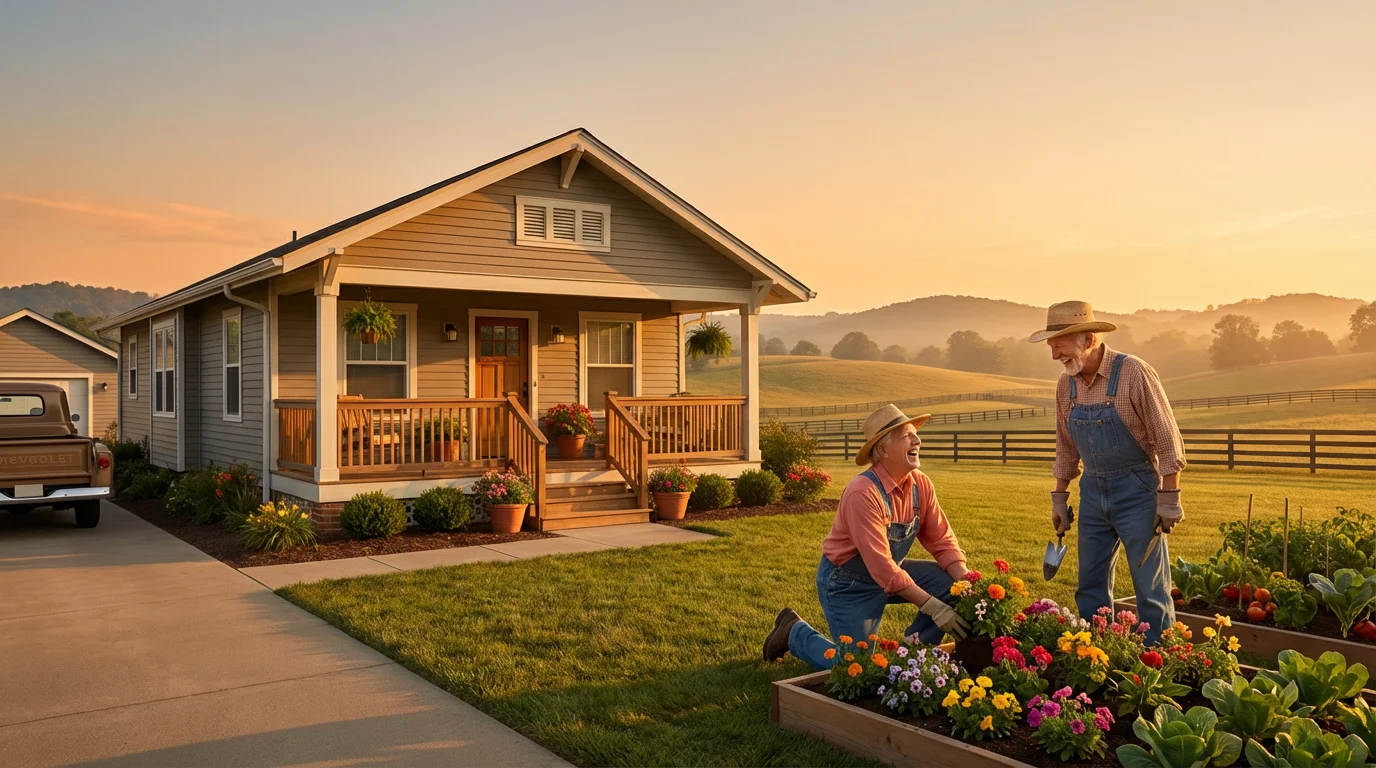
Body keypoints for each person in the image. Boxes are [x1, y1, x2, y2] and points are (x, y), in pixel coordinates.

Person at [763, 405, 971, 668]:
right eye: (907, 435)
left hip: (890, 573)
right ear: (883, 450)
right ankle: (793, 632)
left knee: (950, 586)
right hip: (848, 583)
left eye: (915, 434)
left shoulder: (921, 484)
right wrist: (934, 607)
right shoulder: (862, 492)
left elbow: (943, 542)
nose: (917, 440)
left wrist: (967, 583)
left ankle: (913, 657)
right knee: (855, 667)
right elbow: (881, 566)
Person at [1028, 300, 1186, 645]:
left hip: (1138, 493)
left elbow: (1167, 438)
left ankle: (1162, 661)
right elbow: (1065, 446)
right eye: (1051, 348)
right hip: (1093, 496)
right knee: (1090, 585)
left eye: (1060, 346)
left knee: (1149, 587)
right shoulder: (1065, 386)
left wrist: (1170, 497)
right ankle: (1097, 655)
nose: (1055, 356)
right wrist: (1059, 497)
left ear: (1088, 339)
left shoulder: (1133, 373)